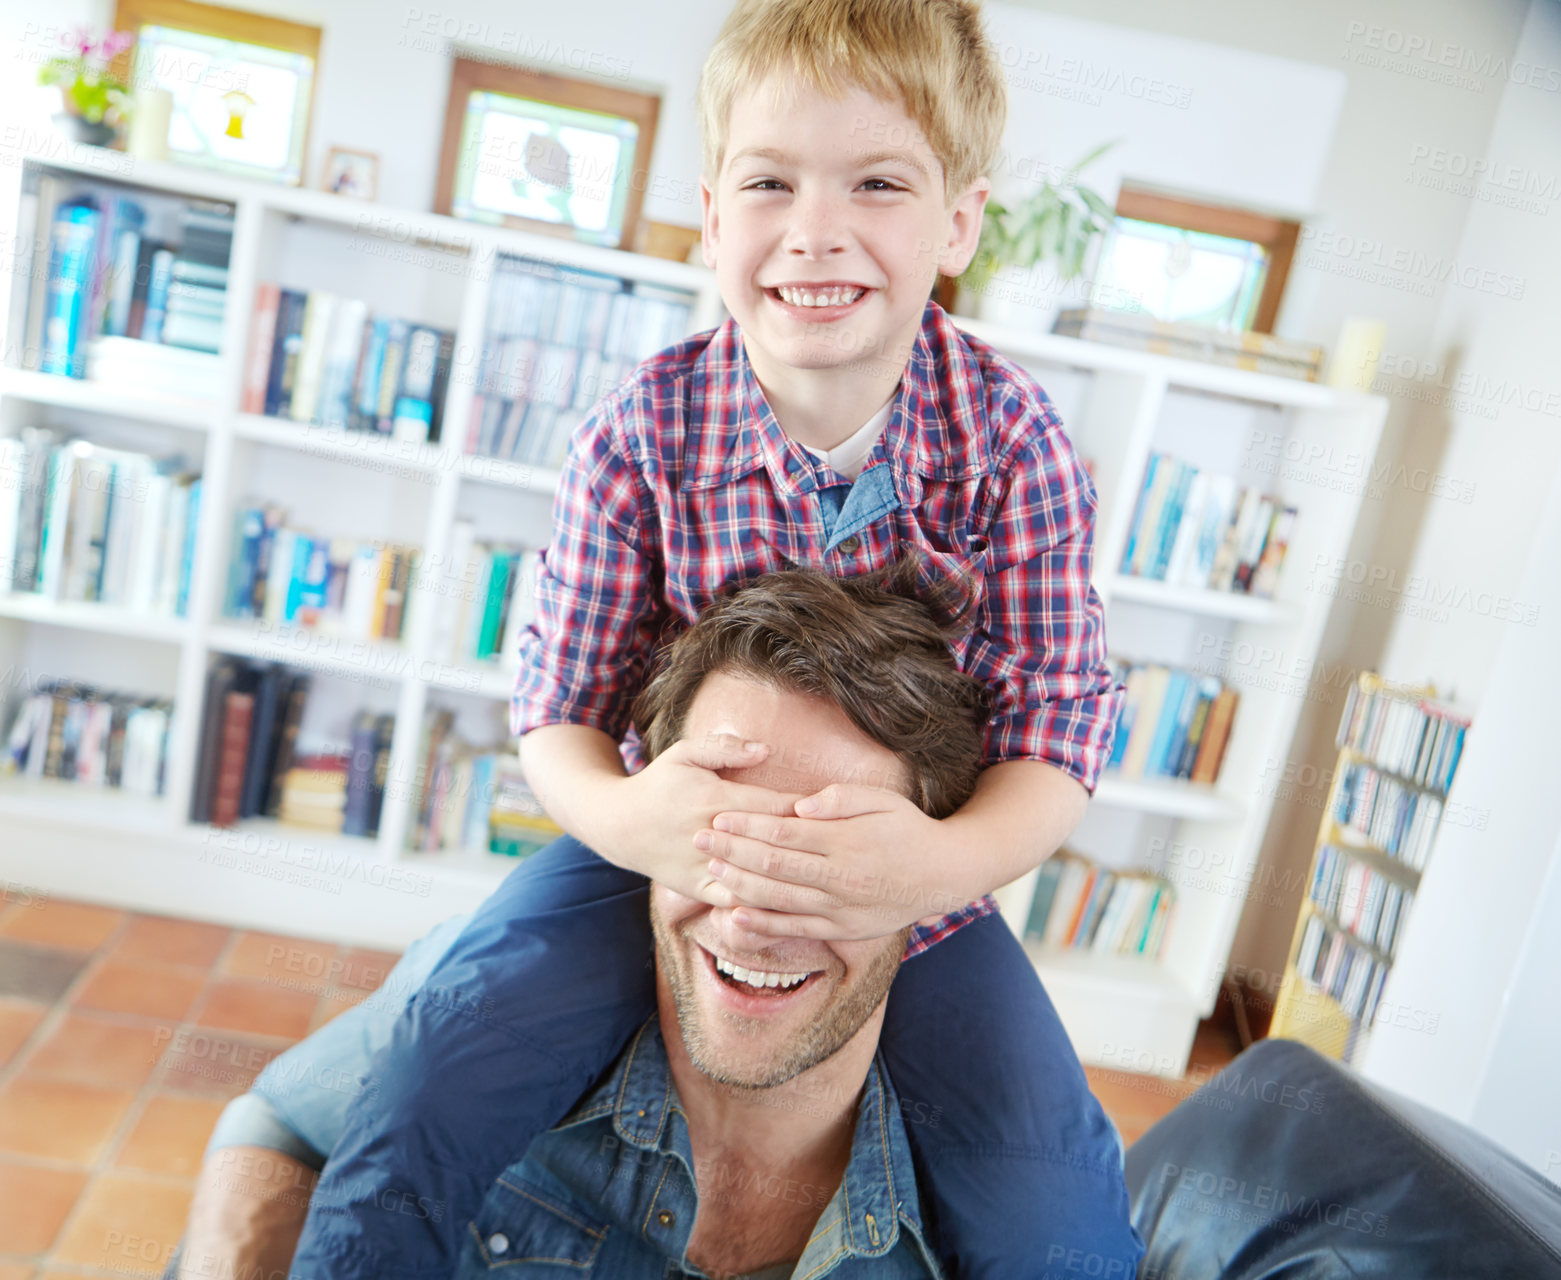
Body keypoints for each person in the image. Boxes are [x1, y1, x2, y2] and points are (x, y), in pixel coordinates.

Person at [289, 0, 1132, 1273]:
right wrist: (636, 826)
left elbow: (1057, 739)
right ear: (711, 212)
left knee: (1052, 1209)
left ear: (959, 221)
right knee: (430, 1068)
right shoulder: (640, 426)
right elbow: (556, 710)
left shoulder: (1017, 445)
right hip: (658, 848)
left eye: (879, 183)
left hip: (917, 891)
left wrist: (933, 867)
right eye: (770, 182)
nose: (815, 232)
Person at [180, 568, 1136, 1278]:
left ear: (935, 874)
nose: (757, 912)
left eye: (824, 863)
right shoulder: (484, 1026)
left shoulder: (994, 1199)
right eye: (719, 835)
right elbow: (277, 1126)